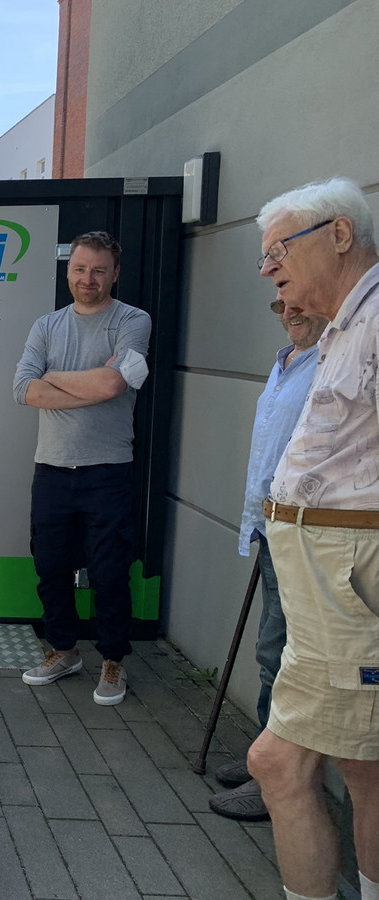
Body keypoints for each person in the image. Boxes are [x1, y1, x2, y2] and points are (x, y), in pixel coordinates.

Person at [248, 177, 379, 900]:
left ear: (340, 235)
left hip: (347, 585)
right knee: (360, 768)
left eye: (279, 250)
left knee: (286, 764)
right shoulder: (341, 330)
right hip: (325, 585)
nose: (268, 268)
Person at [13, 230, 152, 706]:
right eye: (79, 268)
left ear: (115, 273)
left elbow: (114, 386)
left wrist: (54, 378)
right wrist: (91, 384)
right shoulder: (47, 326)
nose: (87, 278)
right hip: (52, 469)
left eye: (98, 270)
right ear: (68, 270)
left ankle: (113, 660)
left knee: (110, 571)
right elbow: (23, 389)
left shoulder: (132, 321)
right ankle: (63, 650)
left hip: (108, 470)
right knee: (50, 567)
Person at [209, 297, 328, 821]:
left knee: (283, 654)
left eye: (299, 303)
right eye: (281, 304)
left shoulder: (331, 362)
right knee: (271, 649)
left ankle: (279, 779)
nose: (289, 311)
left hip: (306, 534)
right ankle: (267, 759)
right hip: (273, 527)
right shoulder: (287, 361)